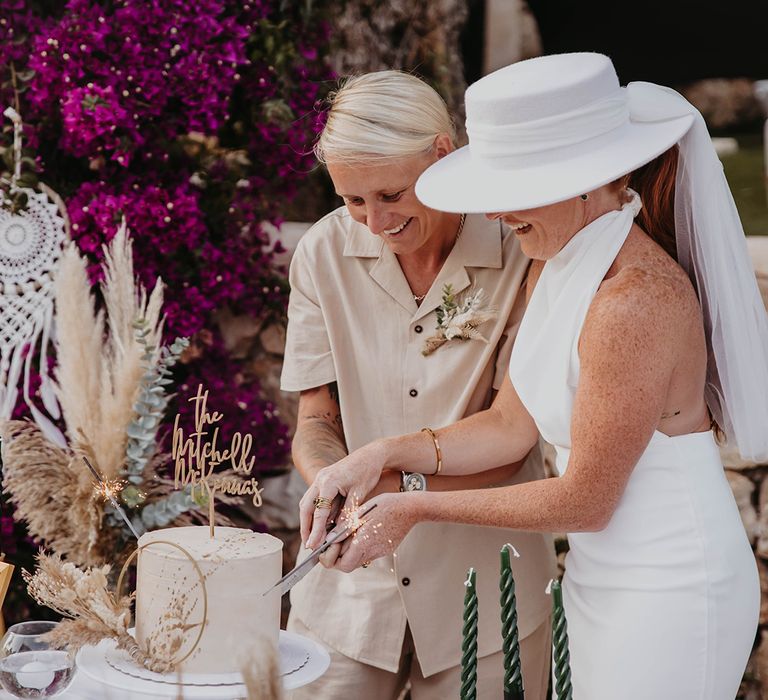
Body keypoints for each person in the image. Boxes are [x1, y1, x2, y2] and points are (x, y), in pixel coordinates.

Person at [300, 54, 768, 699]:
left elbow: (586, 501)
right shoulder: (557, 262)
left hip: (671, 581)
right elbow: (509, 425)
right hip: (598, 577)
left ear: (590, 179)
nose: (496, 213)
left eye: (517, 188)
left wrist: (413, 506)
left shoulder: (635, 300)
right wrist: (380, 454)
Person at [280, 71, 557, 699]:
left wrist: (394, 483)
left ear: (442, 154)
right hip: (345, 600)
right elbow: (317, 417)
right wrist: (330, 487)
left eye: (390, 194)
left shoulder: (525, 250)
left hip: (490, 594)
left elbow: (511, 434)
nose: (374, 221)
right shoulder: (322, 253)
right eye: (353, 200)